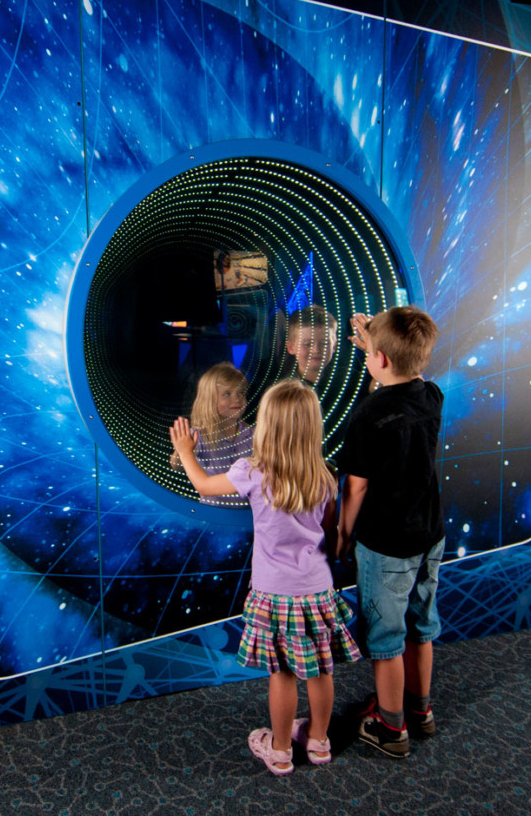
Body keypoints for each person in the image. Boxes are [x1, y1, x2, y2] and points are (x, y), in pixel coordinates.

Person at [170, 380, 360, 775]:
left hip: (274, 594)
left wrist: (187, 453)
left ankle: (279, 749)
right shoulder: (325, 476)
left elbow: (205, 485)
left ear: (266, 427)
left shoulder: (252, 472)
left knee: (284, 673)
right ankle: (319, 742)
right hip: (316, 591)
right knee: (322, 669)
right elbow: (326, 529)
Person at [337, 306, 443, 759]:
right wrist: (375, 343)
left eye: (369, 354)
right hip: (429, 534)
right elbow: (404, 376)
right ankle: (420, 712)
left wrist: (342, 534)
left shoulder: (367, 415)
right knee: (421, 628)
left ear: (380, 360)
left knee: (385, 639)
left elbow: (355, 487)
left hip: (386, 541)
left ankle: (390, 726)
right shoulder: (432, 396)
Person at [170, 363, 253, 506]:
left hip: (247, 513)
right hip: (213, 514)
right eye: (227, 394)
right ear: (209, 399)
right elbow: (176, 465)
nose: (237, 399)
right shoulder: (199, 435)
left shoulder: (253, 433)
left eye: (241, 393)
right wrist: (183, 451)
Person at [284, 304, 338, 385]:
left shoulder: (350, 380)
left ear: (334, 345)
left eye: (324, 343)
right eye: (307, 344)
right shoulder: (282, 392)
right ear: (291, 348)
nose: (316, 350)